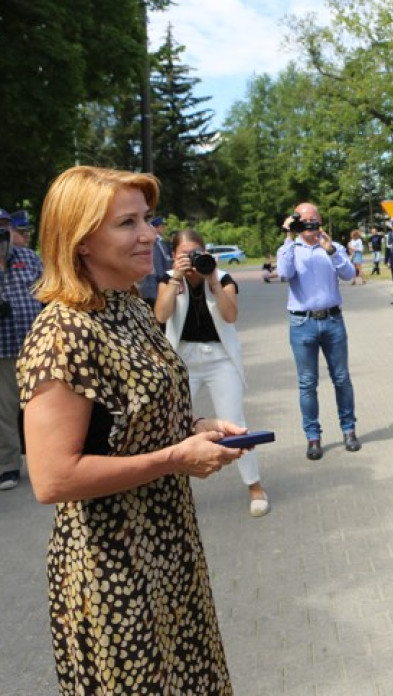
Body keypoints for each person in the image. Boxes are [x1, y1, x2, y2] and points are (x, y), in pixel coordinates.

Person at [18, 166, 246, 694]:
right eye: (127, 223)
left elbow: (126, 420)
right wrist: (174, 459)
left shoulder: (128, 307)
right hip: (112, 571)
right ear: (80, 242)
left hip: (168, 549)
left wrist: (193, 427)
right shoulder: (62, 333)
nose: (150, 235)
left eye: (147, 220)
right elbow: (52, 478)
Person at [154, 230, 270, 517]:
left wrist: (213, 280)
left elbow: (230, 316)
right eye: (185, 254)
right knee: (173, 425)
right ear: (174, 256)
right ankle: (169, 493)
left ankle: (254, 485)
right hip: (181, 360)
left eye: (197, 253)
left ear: (206, 253)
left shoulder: (222, 277)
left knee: (234, 422)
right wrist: (175, 279)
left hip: (220, 359)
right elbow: (160, 315)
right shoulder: (168, 279)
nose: (193, 260)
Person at [277, 203, 361, 460]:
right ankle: (313, 437)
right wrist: (289, 236)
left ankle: (349, 430)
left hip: (333, 321)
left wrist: (332, 250)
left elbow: (349, 274)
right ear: (296, 223)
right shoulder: (289, 248)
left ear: (321, 221)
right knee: (307, 383)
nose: (310, 224)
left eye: (314, 219)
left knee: (342, 378)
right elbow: (283, 273)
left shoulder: (330, 246)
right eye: (304, 220)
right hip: (303, 324)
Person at [0, 208, 43, 490]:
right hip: (3, 350)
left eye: (4, 228)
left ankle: (47, 459)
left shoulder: (28, 257)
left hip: (36, 346)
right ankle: (8, 465)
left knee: (41, 407)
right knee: (5, 411)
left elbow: (49, 290)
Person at [138, 215, 171, 307]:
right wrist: (163, 278)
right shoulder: (154, 242)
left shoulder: (161, 242)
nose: (164, 228)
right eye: (161, 226)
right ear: (155, 227)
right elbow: (157, 263)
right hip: (154, 284)